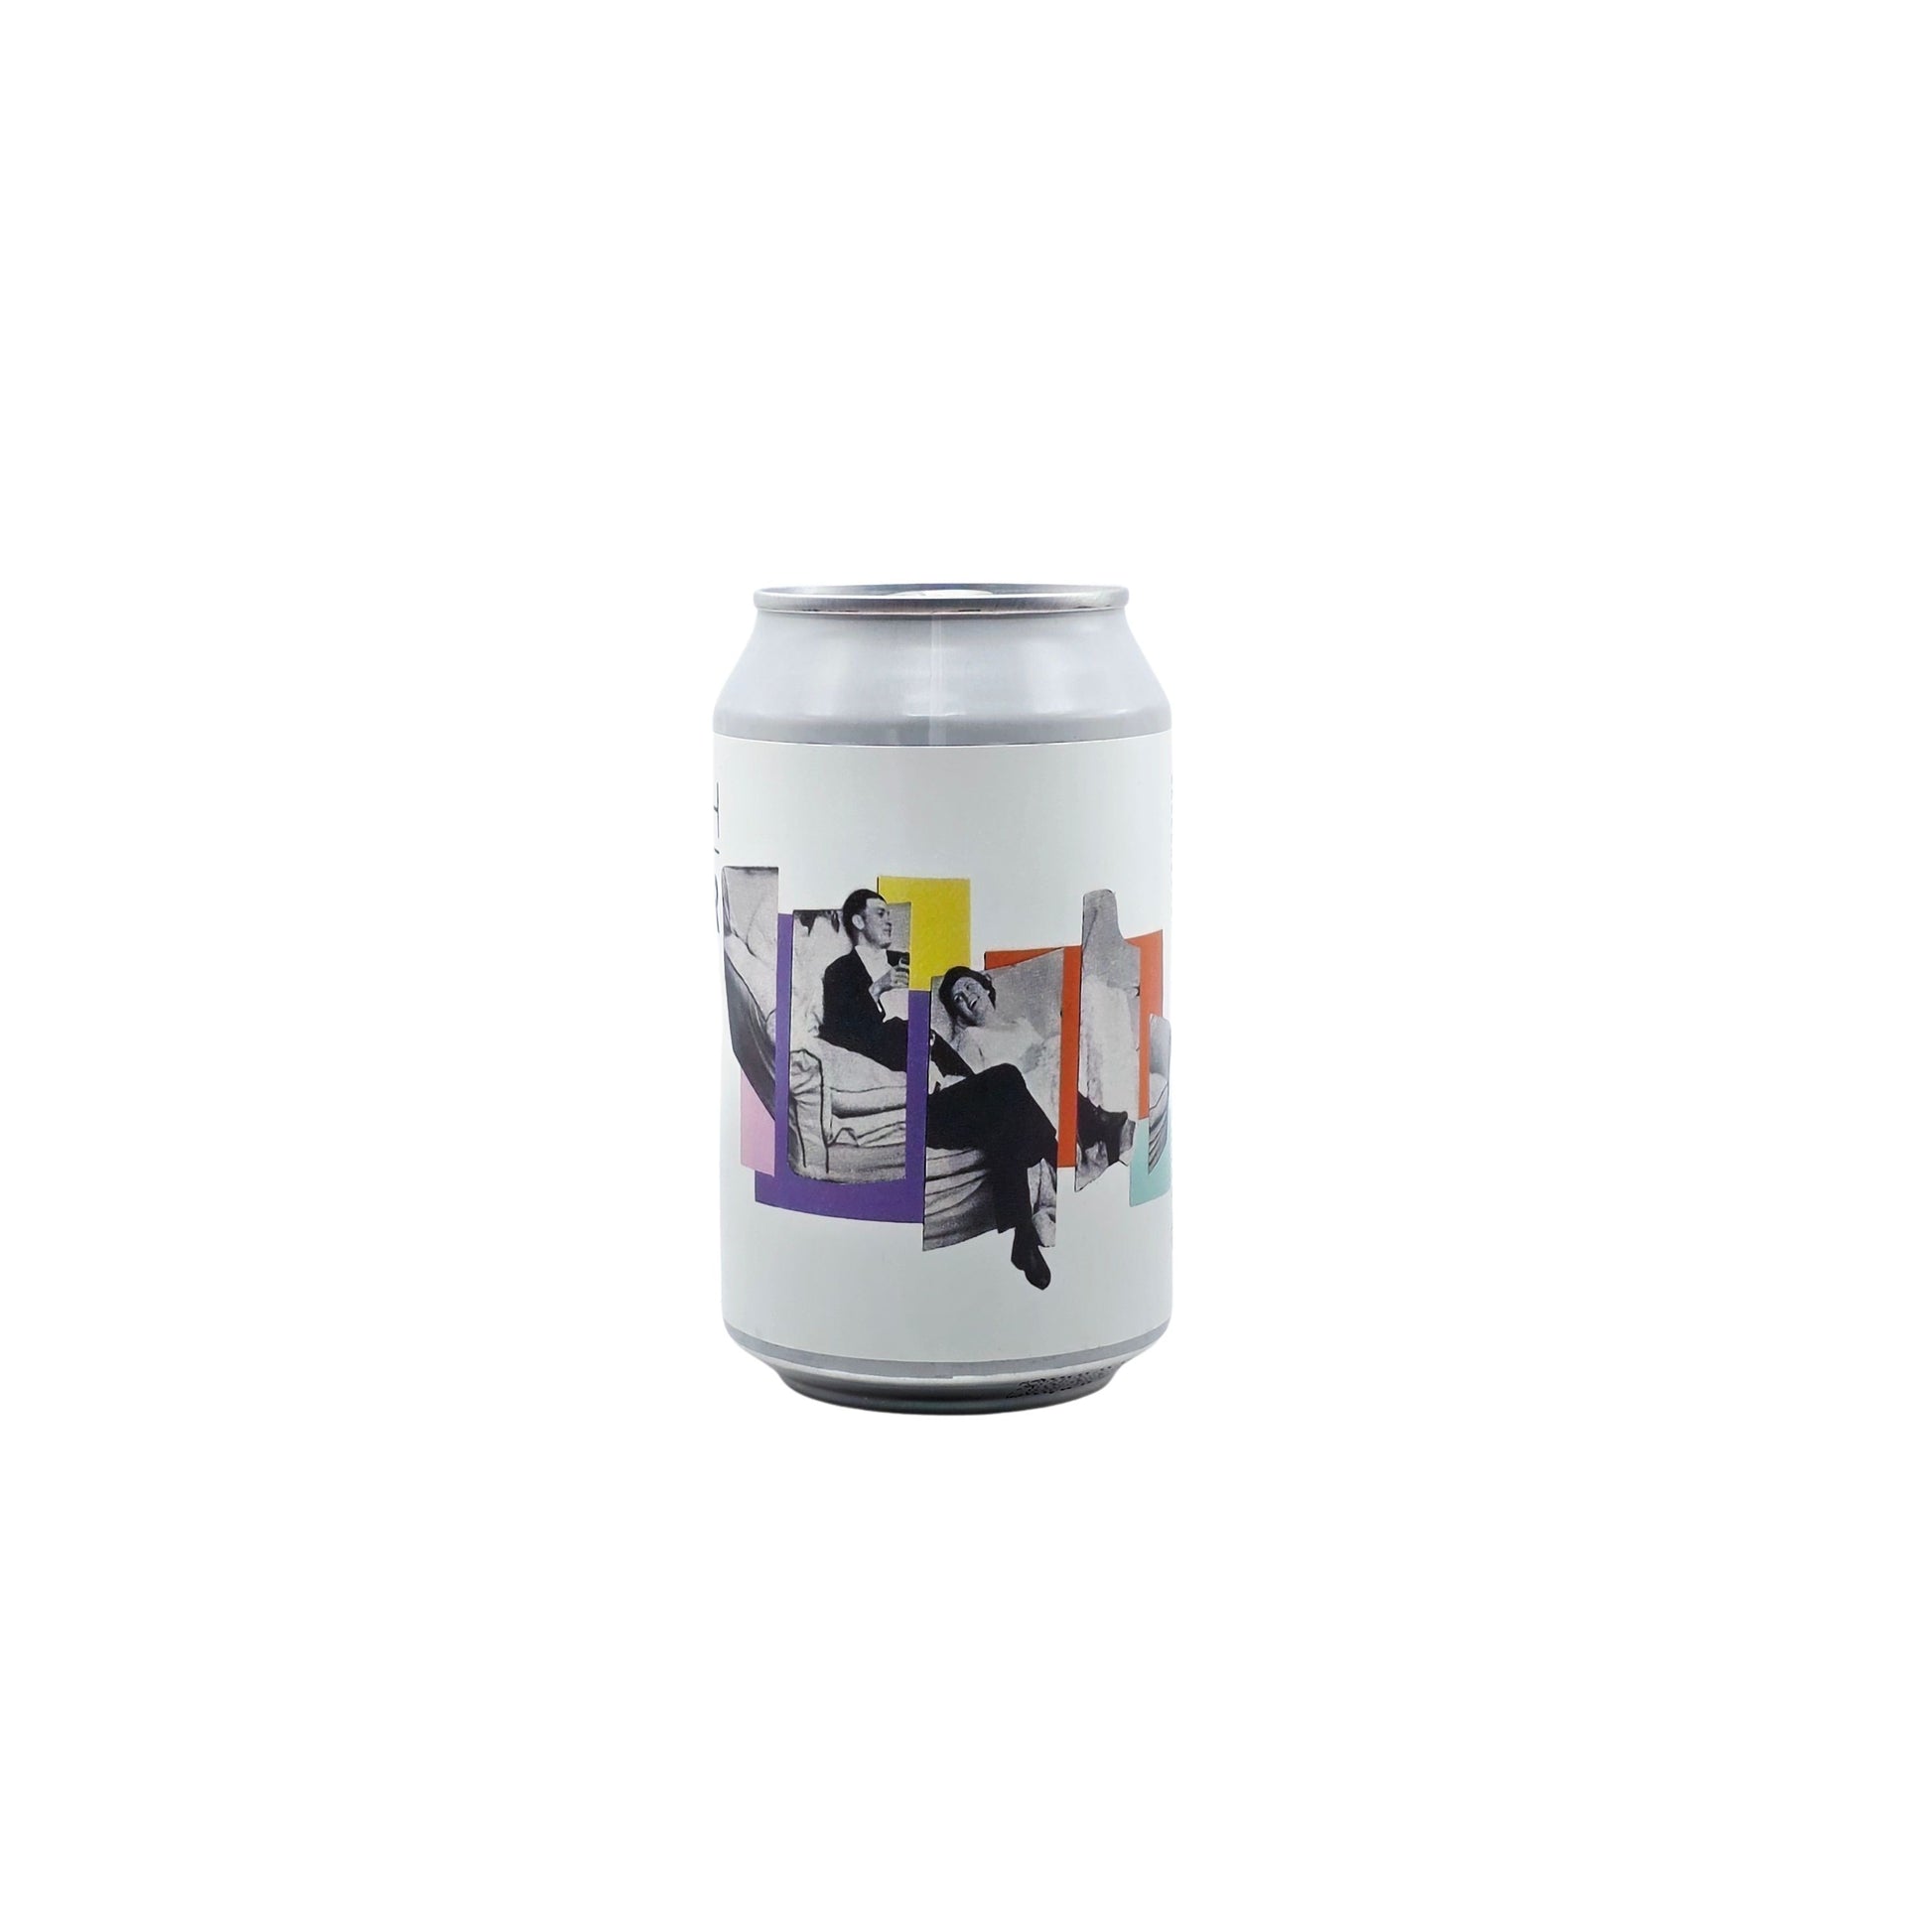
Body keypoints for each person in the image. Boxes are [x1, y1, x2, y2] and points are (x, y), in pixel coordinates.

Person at [927, 966, 1058, 1290]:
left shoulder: (1022, 1025)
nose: (966, 997)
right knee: (1008, 1084)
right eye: (958, 998)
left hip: (1038, 1094)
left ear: (986, 986)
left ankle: (1023, 1234)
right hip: (1013, 1108)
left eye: (969, 987)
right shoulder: (968, 1039)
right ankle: (1062, 1151)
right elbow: (979, 1089)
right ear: (957, 1013)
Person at [818, 889, 909, 1070]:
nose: (889, 922)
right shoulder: (839, 971)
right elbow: (839, 1032)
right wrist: (877, 988)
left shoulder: (906, 960)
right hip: (885, 1051)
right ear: (859, 922)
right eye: (880, 914)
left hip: (928, 1041)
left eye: (888, 915)